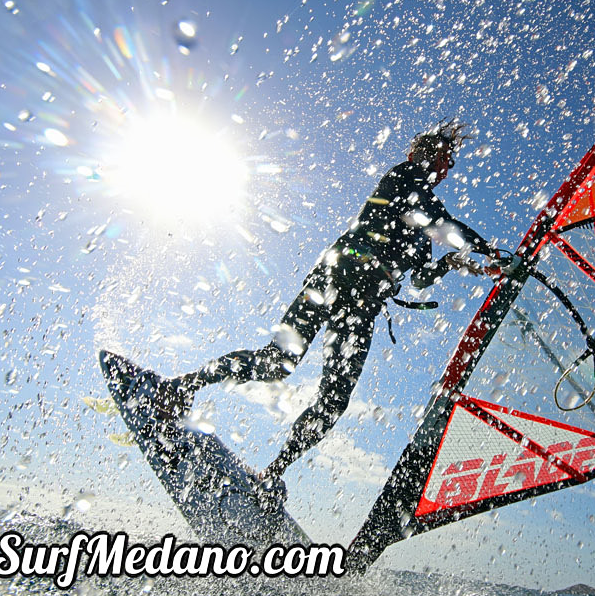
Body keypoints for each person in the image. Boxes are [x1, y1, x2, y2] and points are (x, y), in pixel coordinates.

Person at [100, 119, 500, 510]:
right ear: (419, 154)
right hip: (337, 274)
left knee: (333, 402)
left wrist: (458, 263)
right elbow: (442, 221)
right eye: (437, 157)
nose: (440, 168)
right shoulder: (403, 179)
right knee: (277, 362)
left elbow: (422, 277)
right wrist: (490, 250)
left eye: (446, 163)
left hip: (362, 305)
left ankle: (271, 473)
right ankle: (179, 388)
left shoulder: (423, 223)